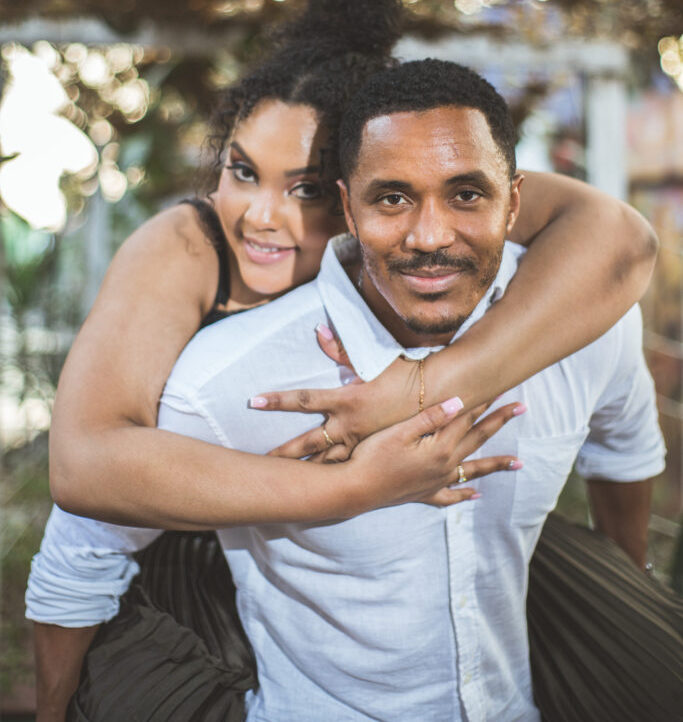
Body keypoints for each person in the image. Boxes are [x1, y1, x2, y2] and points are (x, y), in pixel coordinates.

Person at [28, 57, 668, 721]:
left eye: (466, 195)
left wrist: (620, 624)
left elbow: (624, 448)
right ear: (349, 209)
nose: (429, 236)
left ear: (514, 202)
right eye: (391, 198)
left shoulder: (582, 321)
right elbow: (80, 537)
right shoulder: (220, 365)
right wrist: (357, 487)